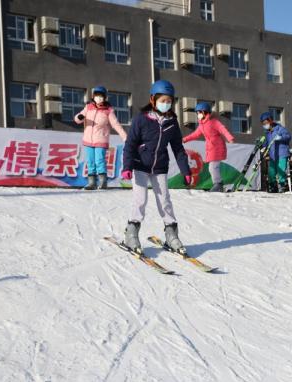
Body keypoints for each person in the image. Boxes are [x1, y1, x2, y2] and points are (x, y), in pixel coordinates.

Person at [120, 80, 191, 254]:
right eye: (162, 100)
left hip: (160, 167)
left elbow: (178, 149)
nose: (166, 104)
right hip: (140, 165)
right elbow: (130, 144)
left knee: (165, 200)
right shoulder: (141, 119)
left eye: (169, 101)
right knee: (140, 200)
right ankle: (131, 233)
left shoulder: (172, 123)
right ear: (153, 99)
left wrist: (186, 170)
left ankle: (171, 235)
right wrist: (127, 166)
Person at [75, 86, 128, 190]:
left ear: (104, 97)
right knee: (90, 161)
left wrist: (125, 137)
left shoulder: (108, 110)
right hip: (88, 140)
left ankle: (103, 182)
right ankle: (91, 183)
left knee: (99, 160)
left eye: (101, 96)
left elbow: (116, 125)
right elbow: (78, 118)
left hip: (101, 140)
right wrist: (79, 117)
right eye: (97, 96)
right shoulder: (88, 107)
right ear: (93, 96)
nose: (99, 98)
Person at [182, 102, 235, 192]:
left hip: (217, 147)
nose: (198, 115)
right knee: (212, 167)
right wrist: (185, 139)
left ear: (205, 112)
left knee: (213, 167)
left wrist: (230, 138)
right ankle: (218, 184)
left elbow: (223, 129)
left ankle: (218, 184)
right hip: (210, 149)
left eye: (199, 112)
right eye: (197, 113)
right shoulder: (202, 125)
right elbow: (195, 134)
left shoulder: (214, 122)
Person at [260, 112, 291, 193]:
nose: (265, 125)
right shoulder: (267, 133)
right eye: (263, 124)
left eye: (266, 123)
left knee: (281, 170)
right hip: (273, 155)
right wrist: (263, 147)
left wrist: (281, 138)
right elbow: (267, 142)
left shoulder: (280, 129)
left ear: (270, 121)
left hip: (282, 153)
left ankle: (282, 185)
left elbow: (288, 136)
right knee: (271, 171)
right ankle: (272, 186)